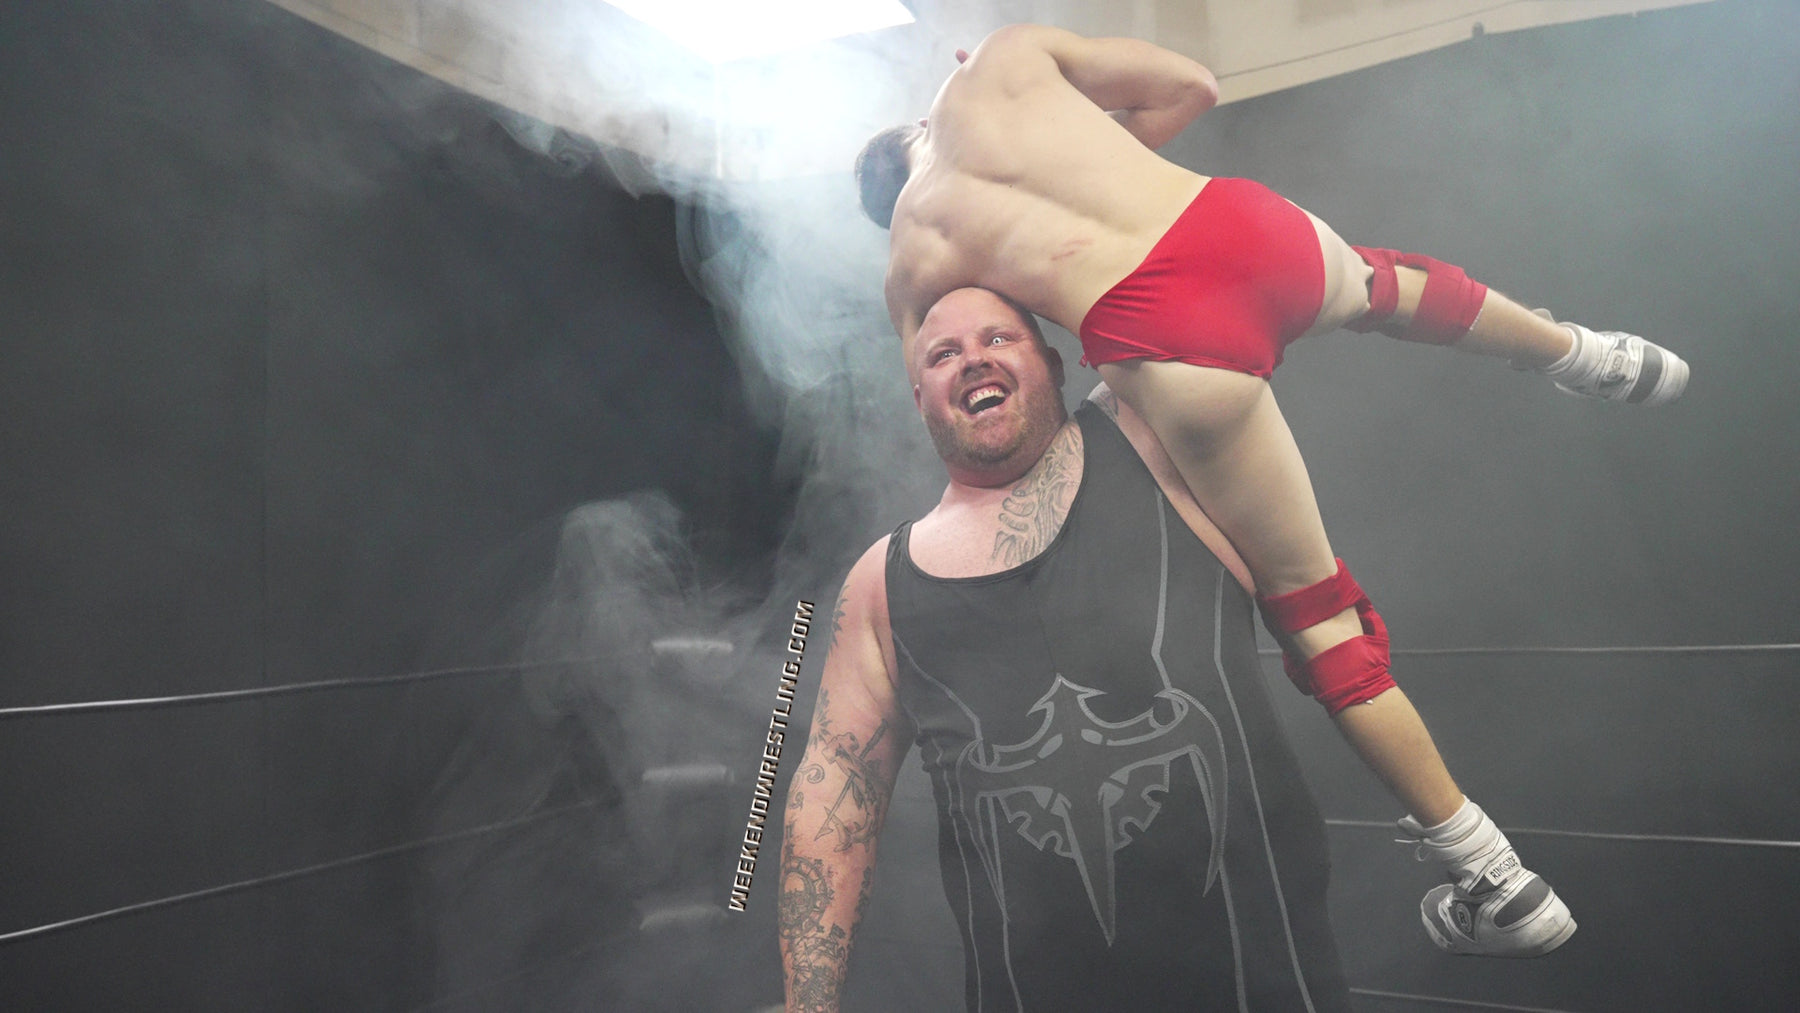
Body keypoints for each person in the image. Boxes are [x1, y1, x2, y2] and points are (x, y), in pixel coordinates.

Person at [855, 22, 1683, 959]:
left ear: (887, 206)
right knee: (1385, 284)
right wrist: (1092, 147)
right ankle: (1588, 355)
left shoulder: (912, 259)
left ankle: (1496, 879)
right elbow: (1194, 87)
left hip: (1163, 332)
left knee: (1317, 616)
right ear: (915, 119)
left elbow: (948, 399)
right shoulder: (1004, 60)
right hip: (1241, 229)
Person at [780, 286, 1354, 1011]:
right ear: (918, 397)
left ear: (1055, 363)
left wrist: (941, 238)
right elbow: (834, 791)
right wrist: (808, 1006)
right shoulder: (878, 584)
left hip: (1260, 982)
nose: (973, 360)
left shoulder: (1152, 444)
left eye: (999, 338)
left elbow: (1172, 292)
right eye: (944, 354)